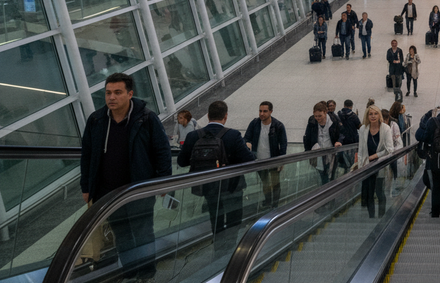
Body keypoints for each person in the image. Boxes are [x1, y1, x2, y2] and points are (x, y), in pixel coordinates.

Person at [80, 73, 171, 280]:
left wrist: (163, 181)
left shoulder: (146, 118)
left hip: (139, 189)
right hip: (108, 191)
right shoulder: (96, 120)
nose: (111, 97)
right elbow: (87, 155)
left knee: (142, 232)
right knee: (121, 234)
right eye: (108, 93)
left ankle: (146, 272)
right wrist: (86, 187)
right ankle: (130, 271)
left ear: (130, 94)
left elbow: (162, 151)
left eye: (117, 92)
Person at [178, 101, 255, 253]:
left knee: (216, 218)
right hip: (232, 186)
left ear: (208, 116)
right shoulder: (233, 135)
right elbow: (250, 160)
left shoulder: (193, 136)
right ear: (225, 116)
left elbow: (181, 161)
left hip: (208, 186)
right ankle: (231, 251)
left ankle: (218, 250)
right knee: (234, 219)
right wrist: (248, 148)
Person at [243, 101, 288, 208]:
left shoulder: (278, 125)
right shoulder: (254, 123)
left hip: (273, 160)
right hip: (259, 160)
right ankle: (268, 202)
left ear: (271, 111)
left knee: (275, 184)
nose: (262, 114)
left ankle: (275, 204)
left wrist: (281, 160)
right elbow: (246, 137)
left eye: (265, 111)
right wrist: (247, 142)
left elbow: (283, 144)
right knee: (265, 183)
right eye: (260, 111)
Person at [357, 105, 393, 218]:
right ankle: (371, 217)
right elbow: (361, 150)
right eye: (370, 114)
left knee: (379, 192)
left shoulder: (386, 128)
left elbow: (390, 149)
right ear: (367, 116)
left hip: (380, 165)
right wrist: (360, 167)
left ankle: (382, 217)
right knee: (369, 193)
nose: (373, 116)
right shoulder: (363, 129)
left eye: (375, 113)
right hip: (367, 166)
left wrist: (375, 156)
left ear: (379, 115)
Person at [303, 101, 342, 185]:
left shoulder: (334, 120)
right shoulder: (312, 121)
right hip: (318, 153)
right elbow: (307, 137)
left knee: (331, 174)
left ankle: (330, 189)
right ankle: (326, 188)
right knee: (323, 175)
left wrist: (339, 141)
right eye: (316, 116)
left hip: (331, 153)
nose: (318, 118)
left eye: (320, 116)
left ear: (325, 112)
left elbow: (342, 133)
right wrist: (307, 151)